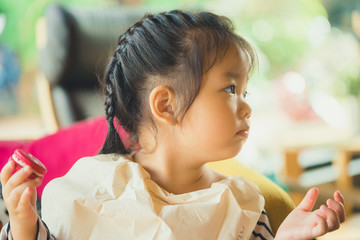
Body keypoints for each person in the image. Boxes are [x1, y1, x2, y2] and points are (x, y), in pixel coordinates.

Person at [0, 10, 345, 240]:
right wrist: (24, 224)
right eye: (230, 89)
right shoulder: (92, 189)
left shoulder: (242, 203)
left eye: (244, 91)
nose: (247, 107)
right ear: (166, 105)